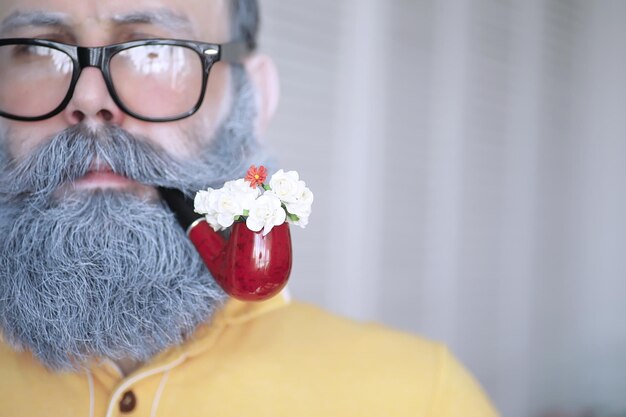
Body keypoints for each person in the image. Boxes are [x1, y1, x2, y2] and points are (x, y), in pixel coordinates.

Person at [0, 0, 499, 416]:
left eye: (153, 49)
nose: (89, 98)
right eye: (35, 49)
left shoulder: (420, 398)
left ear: (253, 98)